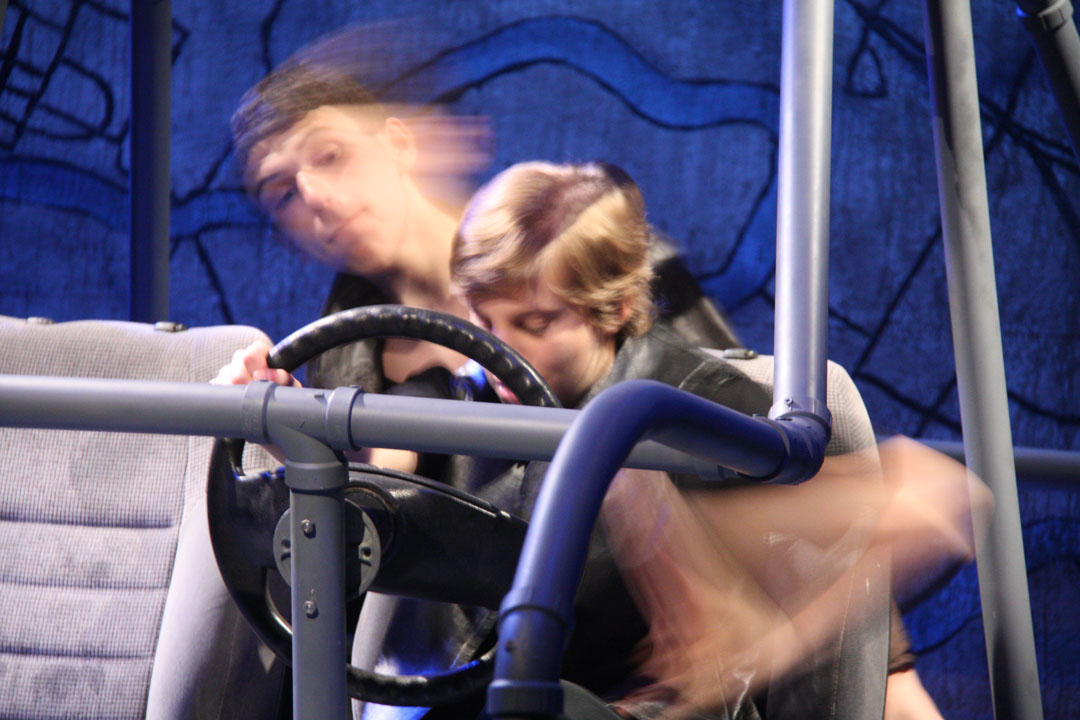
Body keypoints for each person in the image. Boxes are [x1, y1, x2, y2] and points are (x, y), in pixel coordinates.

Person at [220, 59, 944, 719]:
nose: (498, 349)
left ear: (616, 308)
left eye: (534, 323)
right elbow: (378, 518)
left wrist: (786, 649)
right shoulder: (411, 381)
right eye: (481, 321)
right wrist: (284, 432)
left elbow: (905, 499)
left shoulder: (671, 390)